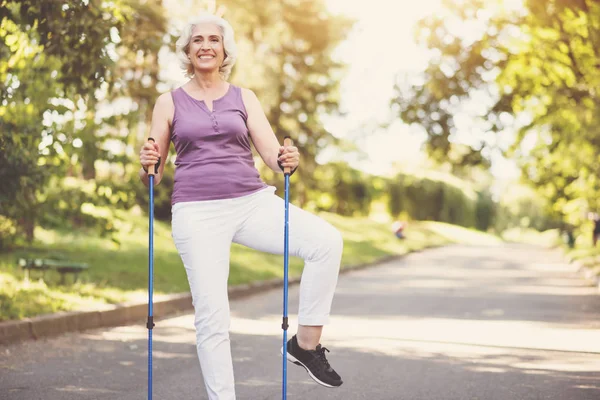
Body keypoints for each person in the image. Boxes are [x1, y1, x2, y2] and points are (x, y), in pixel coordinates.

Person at [138, 13, 343, 399]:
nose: (206, 45)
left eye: (214, 39)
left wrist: (287, 159)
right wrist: (148, 160)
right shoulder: (169, 102)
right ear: (187, 50)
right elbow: (156, 169)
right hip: (197, 213)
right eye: (197, 40)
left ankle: (305, 345)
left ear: (224, 50)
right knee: (213, 319)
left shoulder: (243, 97)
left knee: (326, 242)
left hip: (251, 202)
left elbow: (270, 153)